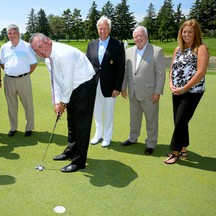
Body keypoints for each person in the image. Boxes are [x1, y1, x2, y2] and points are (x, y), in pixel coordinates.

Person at [29, 33, 97, 173]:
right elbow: (55, 82)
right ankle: (71, 152)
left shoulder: (63, 54)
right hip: (72, 88)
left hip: (84, 86)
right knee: (71, 122)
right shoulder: (48, 59)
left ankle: (79, 162)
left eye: (40, 46)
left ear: (48, 41)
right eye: (36, 50)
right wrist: (57, 102)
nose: (40, 51)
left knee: (81, 125)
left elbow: (67, 82)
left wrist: (63, 103)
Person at [164, 19, 209, 164]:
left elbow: (200, 72)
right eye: (184, 31)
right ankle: (183, 149)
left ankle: (175, 152)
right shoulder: (178, 49)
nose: (187, 34)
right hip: (177, 91)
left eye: (190, 32)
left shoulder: (201, 48)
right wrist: (171, 84)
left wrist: (184, 88)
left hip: (193, 91)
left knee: (180, 120)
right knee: (180, 121)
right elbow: (172, 69)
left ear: (196, 33)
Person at [121, 26, 166, 155]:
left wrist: (157, 92)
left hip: (149, 93)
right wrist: (123, 87)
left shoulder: (156, 51)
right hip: (133, 91)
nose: (138, 38)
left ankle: (151, 143)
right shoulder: (128, 51)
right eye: (136, 36)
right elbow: (126, 71)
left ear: (146, 37)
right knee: (134, 117)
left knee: (151, 119)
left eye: (141, 35)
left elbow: (160, 74)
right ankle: (133, 138)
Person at [86, 16, 125, 148]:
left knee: (108, 111)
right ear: (97, 30)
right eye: (100, 28)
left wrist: (117, 87)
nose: (102, 31)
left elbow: (120, 68)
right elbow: (88, 65)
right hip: (94, 84)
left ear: (109, 29)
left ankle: (107, 136)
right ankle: (98, 134)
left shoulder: (117, 44)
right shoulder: (91, 45)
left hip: (110, 86)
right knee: (96, 110)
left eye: (105, 28)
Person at [0, 24, 37, 137]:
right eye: (10, 33)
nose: (12, 35)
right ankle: (13, 128)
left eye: (14, 33)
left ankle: (29, 128)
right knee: (11, 105)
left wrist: (25, 74)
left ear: (19, 33)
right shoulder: (4, 47)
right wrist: (11, 71)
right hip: (9, 80)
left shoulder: (26, 46)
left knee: (28, 105)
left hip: (24, 79)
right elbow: (2, 62)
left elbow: (33, 64)